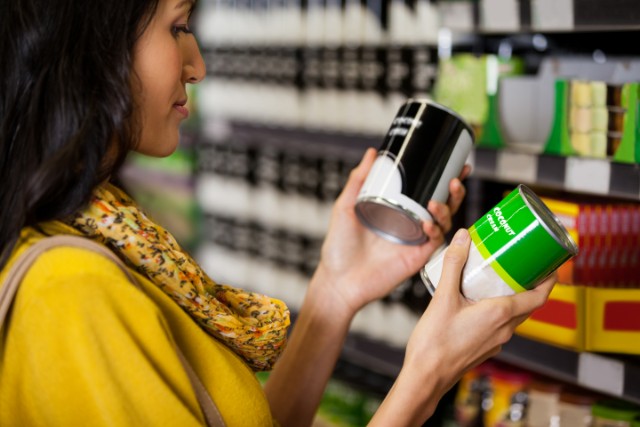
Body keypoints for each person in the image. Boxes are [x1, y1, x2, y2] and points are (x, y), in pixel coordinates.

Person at [0, 0, 556, 425]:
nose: (197, 65)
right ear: (92, 48)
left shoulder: (108, 233)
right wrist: (426, 377)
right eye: (177, 26)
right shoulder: (73, 291)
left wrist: (337, 290)